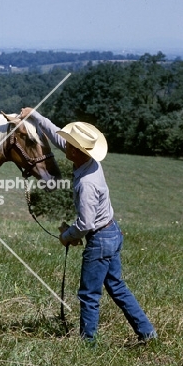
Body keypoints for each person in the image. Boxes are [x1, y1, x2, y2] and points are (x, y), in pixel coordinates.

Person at [22, 107, 157, 344]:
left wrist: (67, 235)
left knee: (88, 293)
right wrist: (35, 115)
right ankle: (147, 333)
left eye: (70, 145)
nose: (65, 146)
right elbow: (55, 134)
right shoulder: (86, 159)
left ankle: (88, 344)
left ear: (77, 151)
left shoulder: (86, 183)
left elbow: (85, 224)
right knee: (116, 287)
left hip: (100, 239)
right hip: (111, 232)